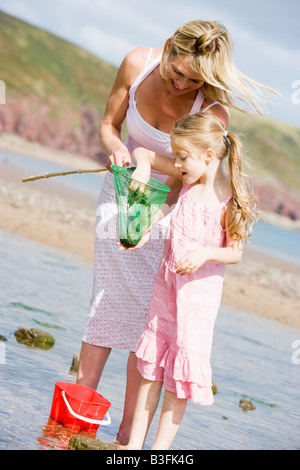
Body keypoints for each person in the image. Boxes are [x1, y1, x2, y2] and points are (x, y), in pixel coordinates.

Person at [76, 19, 275, 444]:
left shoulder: (212, 111)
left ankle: (129, 433)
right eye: (176, 69)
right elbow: (109, 125)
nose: (180, 82)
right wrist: (120, 153)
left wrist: (156, 214)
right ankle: (77, 412)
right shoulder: (136, 64)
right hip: (122, 191)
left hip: (171, 213)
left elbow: (197, 180)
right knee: (106, 301)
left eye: (193, 79)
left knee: (150, 319)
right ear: (167, 48)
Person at [119, 111, 258, 450]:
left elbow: (235, 252)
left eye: (182, 157)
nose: (178, 164)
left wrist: (205, 253)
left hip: (197, 301)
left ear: (208, 156)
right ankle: (132, 448)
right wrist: (151, 222)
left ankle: (159, 451)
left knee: (177, 380)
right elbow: (170, 209)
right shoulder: (188, 185)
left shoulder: (228, 202)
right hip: (165, 292)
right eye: (176, 156)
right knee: (151, 371)